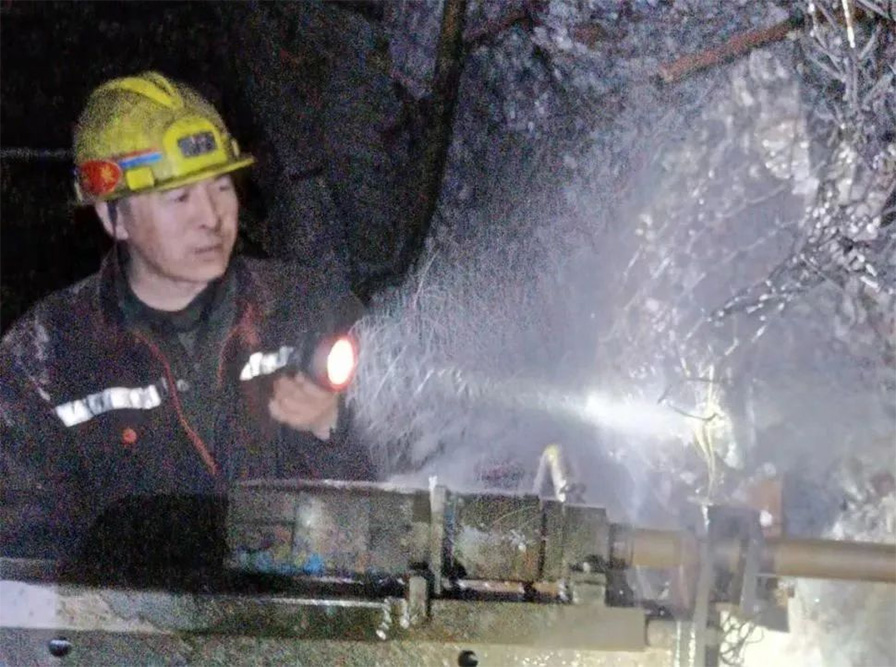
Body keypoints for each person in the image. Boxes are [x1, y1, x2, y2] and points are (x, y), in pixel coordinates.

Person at [0, 72, 373, 578]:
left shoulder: (313, 314)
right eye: (179, 198)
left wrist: (332, 434)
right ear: (113, 217)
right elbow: (24, 565)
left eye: (220, 187)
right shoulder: (44, 362)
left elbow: (404, 500)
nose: (211, 217)